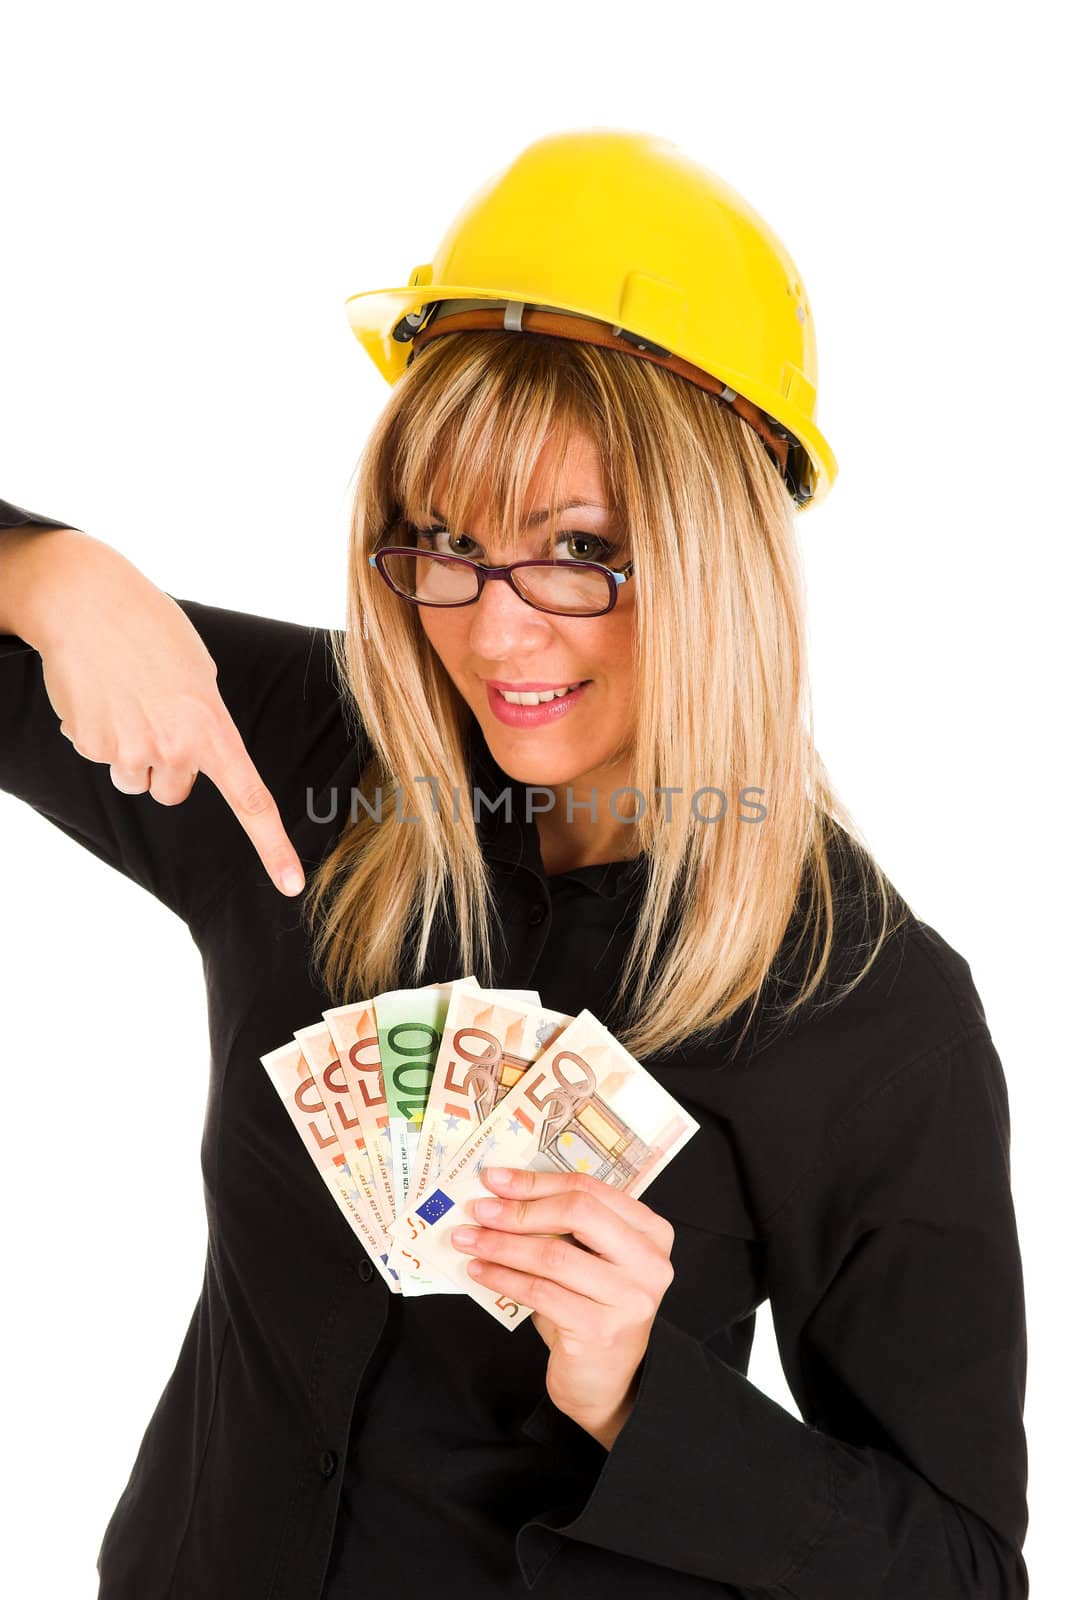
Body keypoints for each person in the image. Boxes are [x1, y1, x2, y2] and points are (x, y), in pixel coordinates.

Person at [0, 128, 1028, 1598]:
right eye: (440, 541)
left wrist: (638, 1396)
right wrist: (42, 571)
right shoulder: (301, 758)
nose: (491, 632)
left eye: (576, 549)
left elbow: (959, 1573)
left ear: (715, 549)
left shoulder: (868, 1011)